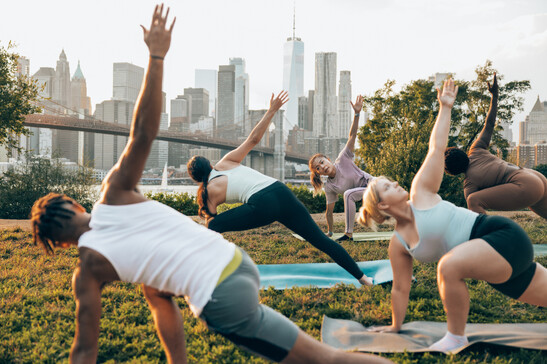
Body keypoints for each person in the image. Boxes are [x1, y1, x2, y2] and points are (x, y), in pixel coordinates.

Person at [30, 6, 392, 364]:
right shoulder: (115, 194)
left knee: (319, 357)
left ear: (58, 243)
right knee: (162, 285)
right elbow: (144, 132)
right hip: (239, 261)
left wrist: (211, 220)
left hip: (221, 294)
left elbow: (83, 351)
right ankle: (361, 277)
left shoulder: (89, 270)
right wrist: (156, 56)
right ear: (76, 205)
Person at [358, 79, 547, 352]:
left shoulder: (420, 192)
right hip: (499, 265)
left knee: (447, 266)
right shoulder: (398, 244)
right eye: (387, 187)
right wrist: (395, 326)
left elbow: (436, 148)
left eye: (391, 181)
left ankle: (455, 338)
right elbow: (400, 288)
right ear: (383, 206)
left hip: (500, 236)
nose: (396, 184)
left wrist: (445, 107)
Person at [187, 93, 373, 287]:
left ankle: (215, 273)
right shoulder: (225, 162)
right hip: (281, 192)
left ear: (197, 179)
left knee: (212, 227)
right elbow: (253, 140)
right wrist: (272, 110)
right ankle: (363, 278)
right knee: (320, 240)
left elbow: (212, 227)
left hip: (262, 204)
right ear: (209, 164)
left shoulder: (208, 192)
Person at [444, 73, 547, 219]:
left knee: (473, 200)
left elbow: (471, 212)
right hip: (534, 176)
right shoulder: (477, 149)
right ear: (462, 152)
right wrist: (495, 96)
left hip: (526, 186)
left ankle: (490, 236)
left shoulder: (470, 185)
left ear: (452, 172)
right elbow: (490, 123)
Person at [308, 95, 374, 241]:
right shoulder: (330, 186)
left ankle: (348, 235)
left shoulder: (343, 158)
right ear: (318, 174)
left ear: (328, 159)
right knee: (349, 194)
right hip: (366, 195)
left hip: (374, 185)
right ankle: (348, 234)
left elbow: (352, 135)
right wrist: (330, 233)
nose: (322, 167)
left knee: (349, 194)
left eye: (322, 162)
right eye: (318, 168)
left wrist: (357, 114)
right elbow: (329, 212)